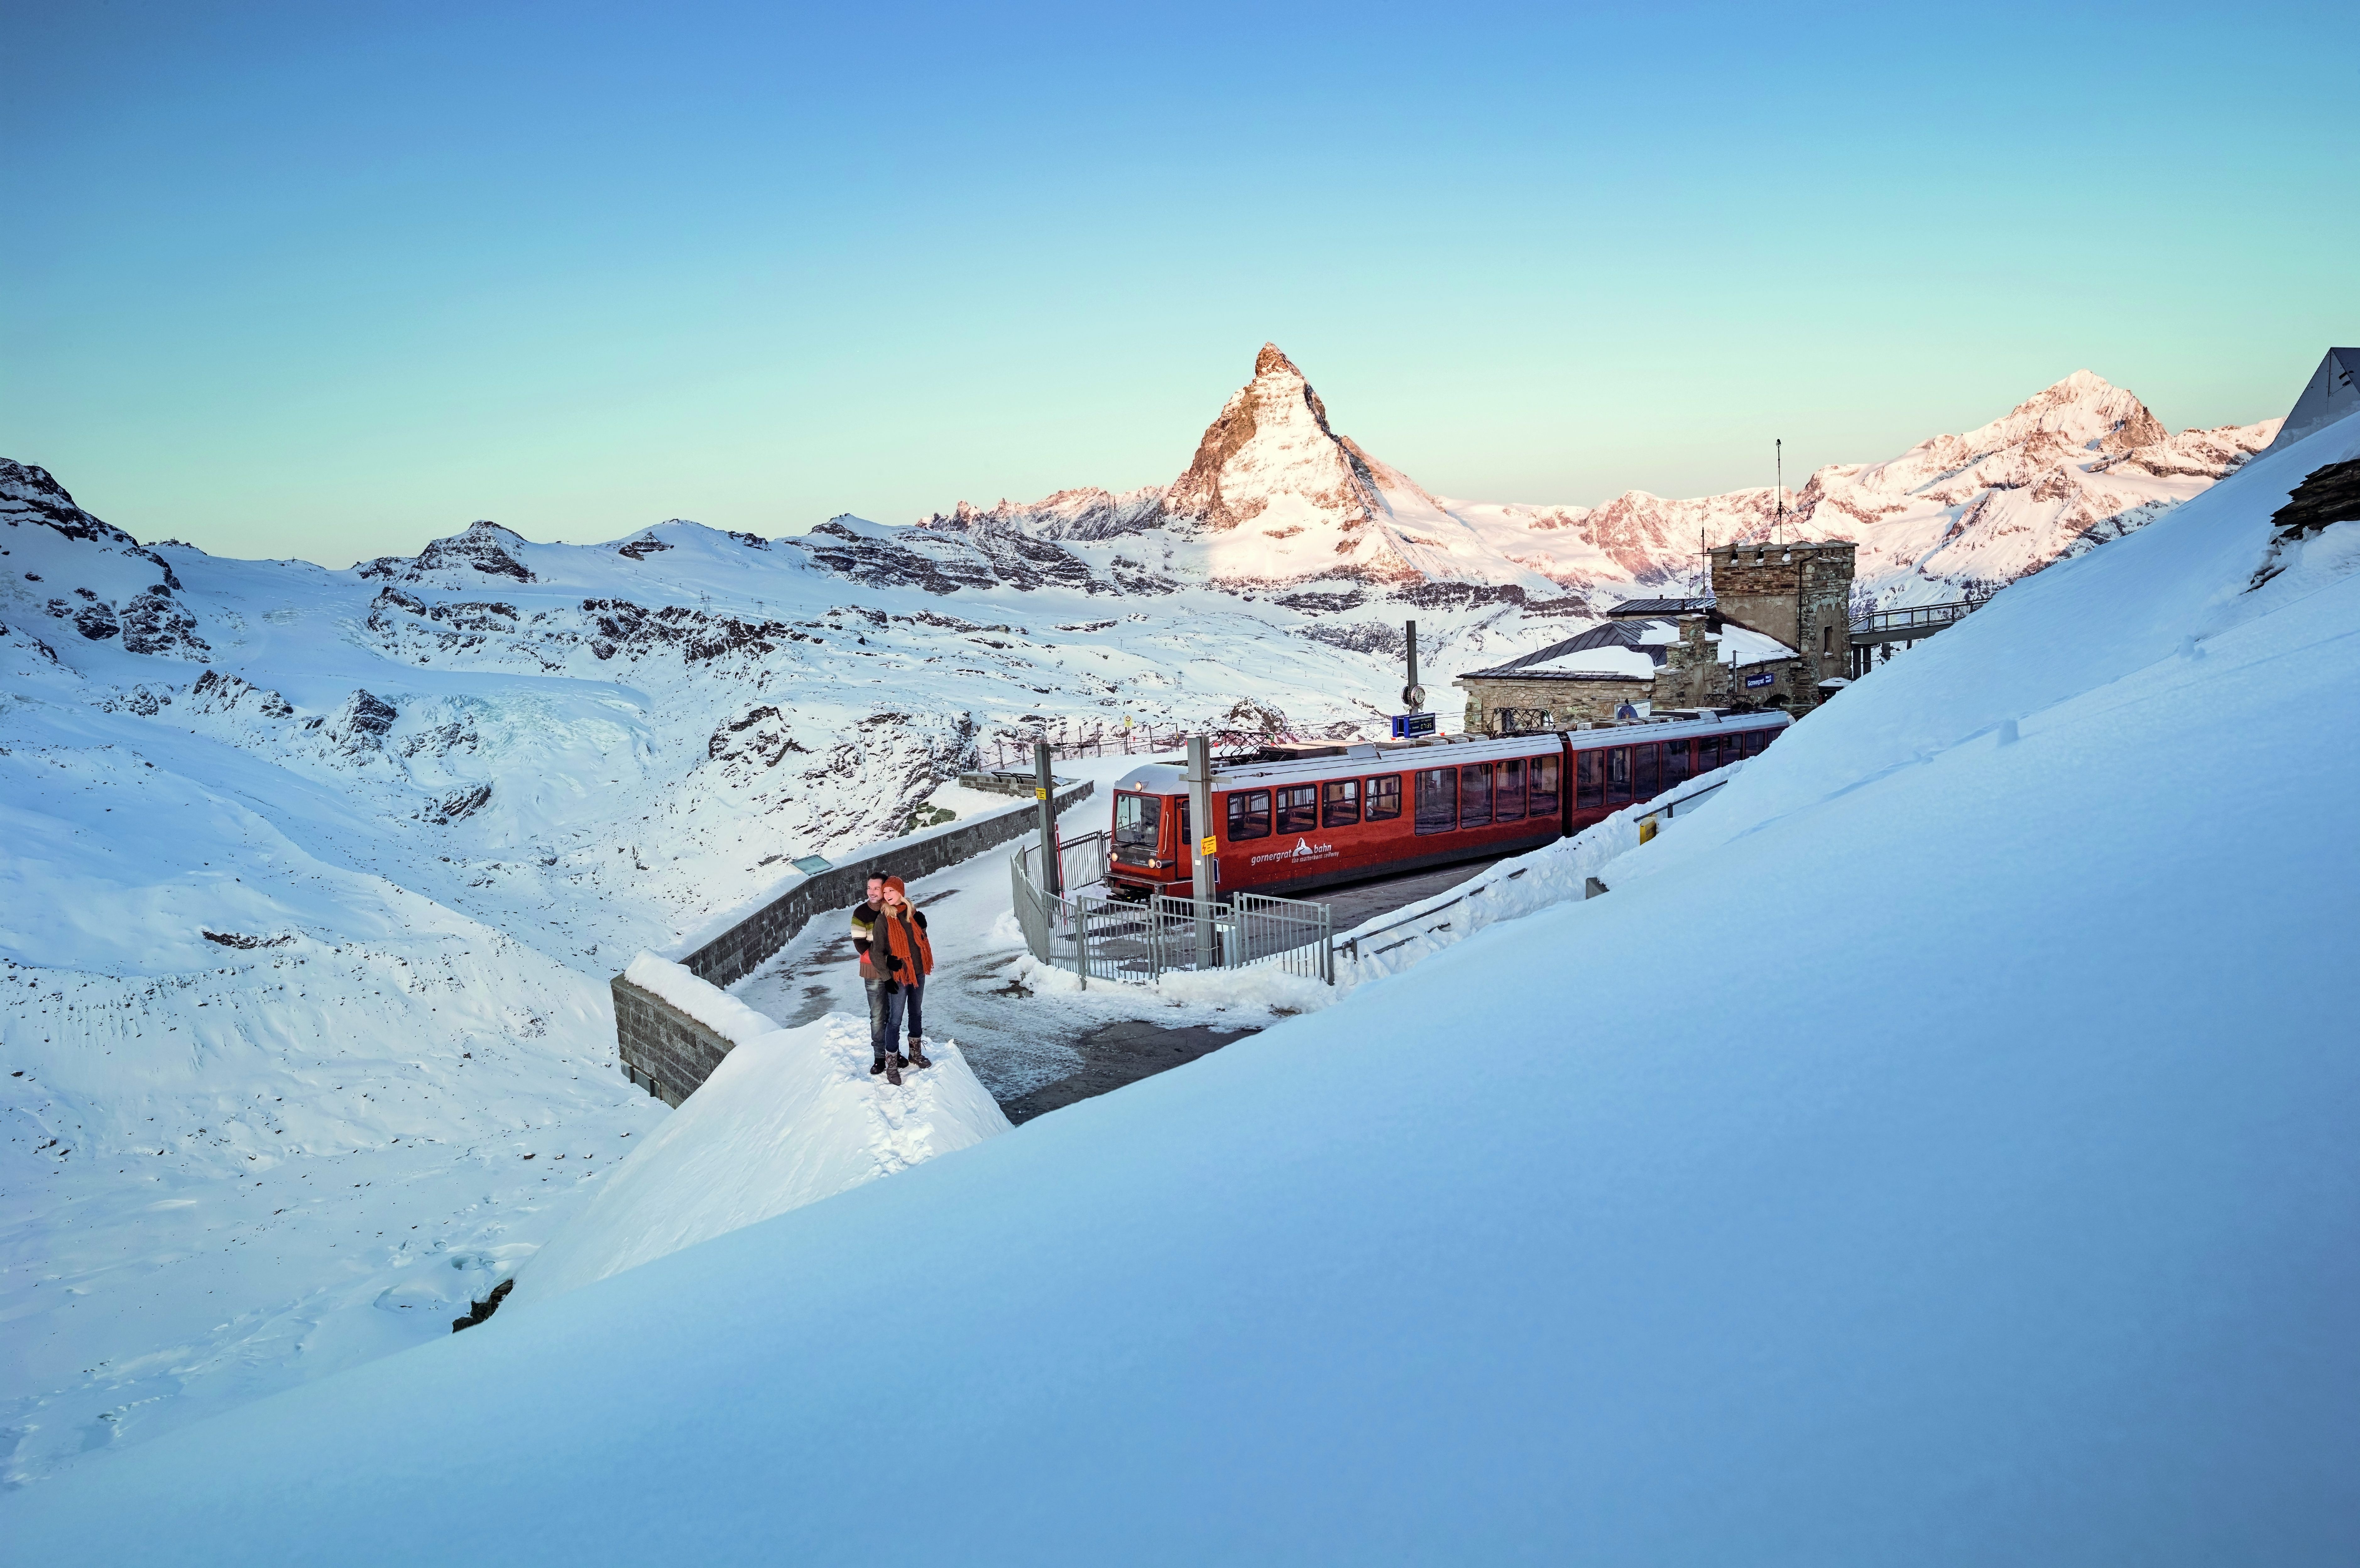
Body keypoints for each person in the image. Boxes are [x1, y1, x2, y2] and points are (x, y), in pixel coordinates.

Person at [852, 872, 934, 1081]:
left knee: (915, 1013)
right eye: (884, 891)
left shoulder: (911, 913)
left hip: (916, 972)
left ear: (900, 892)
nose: (884, 894)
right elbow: (871, 949)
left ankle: (915, 1054)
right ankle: (887, 1062)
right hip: (893, 974)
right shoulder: (879, 917)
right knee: (888, 1019)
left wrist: (923, 925)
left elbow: (919, 940)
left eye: (889, 890)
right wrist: (888, 973)